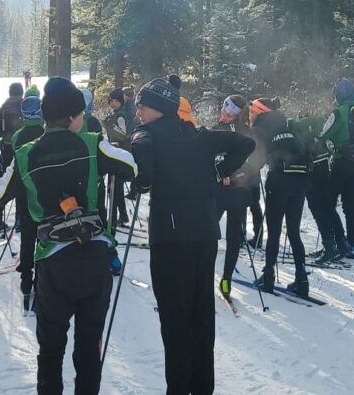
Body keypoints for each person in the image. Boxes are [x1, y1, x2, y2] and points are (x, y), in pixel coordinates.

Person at [129, 76, 255, 395]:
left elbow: (142, 174)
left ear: (158, 108)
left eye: (143, 105)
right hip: (203, 233)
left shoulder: (147, 134)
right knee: (201, 315)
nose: (138, 111)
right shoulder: (198, 134)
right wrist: (221, 170)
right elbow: (245, 144)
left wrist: (137, 176)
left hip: (170, 239)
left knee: (174, 319)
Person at [15, 77, 137, 394]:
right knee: (88, 348)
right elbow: (131, 167)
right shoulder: (92, 143)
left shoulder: (26, 153)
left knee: (51, 350)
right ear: (71, 116)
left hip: (53, 260)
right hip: (94, 258)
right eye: (81, 113)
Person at [0, 94, 45, 308]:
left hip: (23, 189)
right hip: (44, 192)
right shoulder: (46, 132)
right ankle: (41, 281)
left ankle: (26, 279)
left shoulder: (19, 135)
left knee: (27, 237)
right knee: (43, 239)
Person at [250, 98, 312, 297]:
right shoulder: (288, 125)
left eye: (252, 111)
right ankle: (302, 279)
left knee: (275, 230)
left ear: (259, 111)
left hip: (279, 180)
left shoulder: (262, 126)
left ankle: (268, 277)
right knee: (293, 231)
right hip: (301, 179)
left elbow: (257, 157)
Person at [211, 95, 257, 298]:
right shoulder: (247, 131)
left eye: (224, 107)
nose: (222, 110)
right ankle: (226, 280)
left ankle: (209, 274)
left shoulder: (219, 129)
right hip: (240, 190)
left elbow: (212, 159)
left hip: (221, 190)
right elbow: (255, 162)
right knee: (233, 238)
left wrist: (226, 175)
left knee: (209, 231)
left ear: (228, 111)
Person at [320, 77, 354, 255]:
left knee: (328, 201)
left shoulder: (339, 112)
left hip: (344, 161)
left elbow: (324, 134)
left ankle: (335, 241)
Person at [290, 112, 338, 263]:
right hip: (324, 167)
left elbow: (298, 151)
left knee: (317, 207)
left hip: (313, 170)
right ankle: (330, 243)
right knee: (323, 207)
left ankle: (329, 247)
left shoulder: (297, 129)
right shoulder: (316, 129)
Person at [0, 82, 25, 233]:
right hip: (22, 149)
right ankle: (19, 218)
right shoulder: (25, 106)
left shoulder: (4, 107)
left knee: (6, 182)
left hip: (6, 148)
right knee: (22, 183)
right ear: (21, 92)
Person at [103, 89, 131, 226]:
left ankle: (113, 218)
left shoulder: (120, 116)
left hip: (118, 154)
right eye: (111, 101)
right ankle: (122, 215)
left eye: (116, 101)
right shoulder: (115, 114)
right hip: (116, 153)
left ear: (121, 102)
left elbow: (123, 134)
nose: (113, 104)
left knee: (113, 187)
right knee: (115, 187)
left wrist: (115, 141)